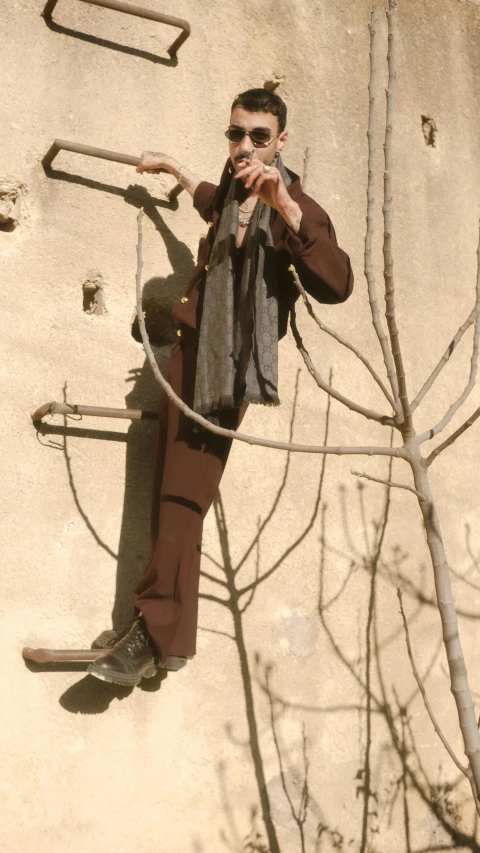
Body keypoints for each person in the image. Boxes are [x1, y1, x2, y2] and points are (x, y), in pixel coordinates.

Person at [87, 88, 354, 687]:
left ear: (280, 140)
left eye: (259, 136)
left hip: (225, 373)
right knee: (170, 495)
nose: (245, 147)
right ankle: (168, 639)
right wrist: (177, 171)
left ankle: (151, 636)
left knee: (184, 499)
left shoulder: (295, 207)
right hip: (191, 354)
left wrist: (284, 205)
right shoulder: (232, 185)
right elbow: (212, 202)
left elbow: (337, 281)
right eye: (236, 134)